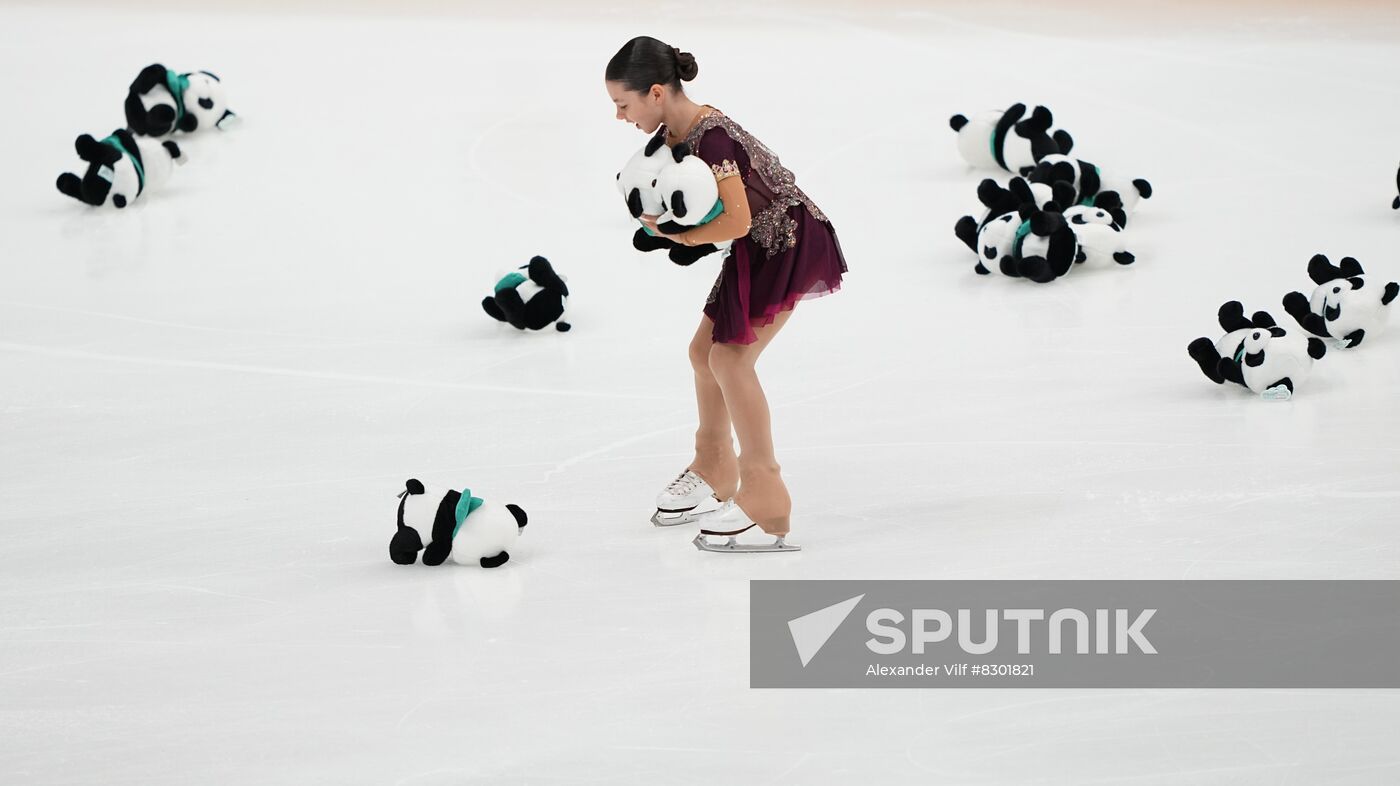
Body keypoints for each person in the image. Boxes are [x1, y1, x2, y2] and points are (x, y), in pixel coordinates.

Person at [606, 36, 847, 553]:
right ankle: (714, 464)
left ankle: (767, 500)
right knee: (703, 353)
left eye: (623, 105)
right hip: (757, 247)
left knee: (731, 360)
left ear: (653, 93)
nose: (620, 117)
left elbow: (736, 219)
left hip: (787, 241)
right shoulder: (677, 133)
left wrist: (672, 236)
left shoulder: (708, 137)